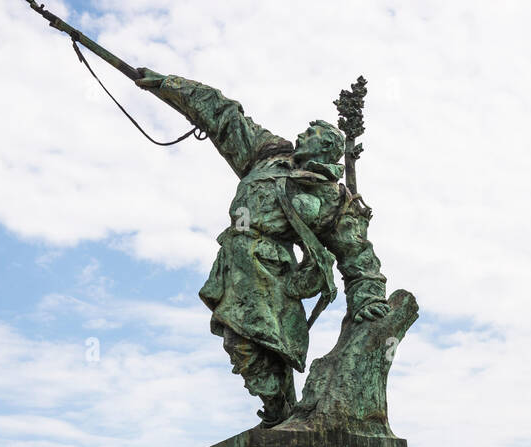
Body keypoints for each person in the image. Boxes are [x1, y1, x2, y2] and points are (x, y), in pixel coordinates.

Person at [135, 69, 390, 427]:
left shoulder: (332, 198)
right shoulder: (268, 154)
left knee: (255, 347)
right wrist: (166, 85)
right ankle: (279, 410)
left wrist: (368, 300)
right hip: (236, 261)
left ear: (329, 148)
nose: (301, 134)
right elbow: (224, 115)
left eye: (313, 133)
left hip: (273, 274)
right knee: (236, 341)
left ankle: (279, 410)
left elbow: (357, 255)